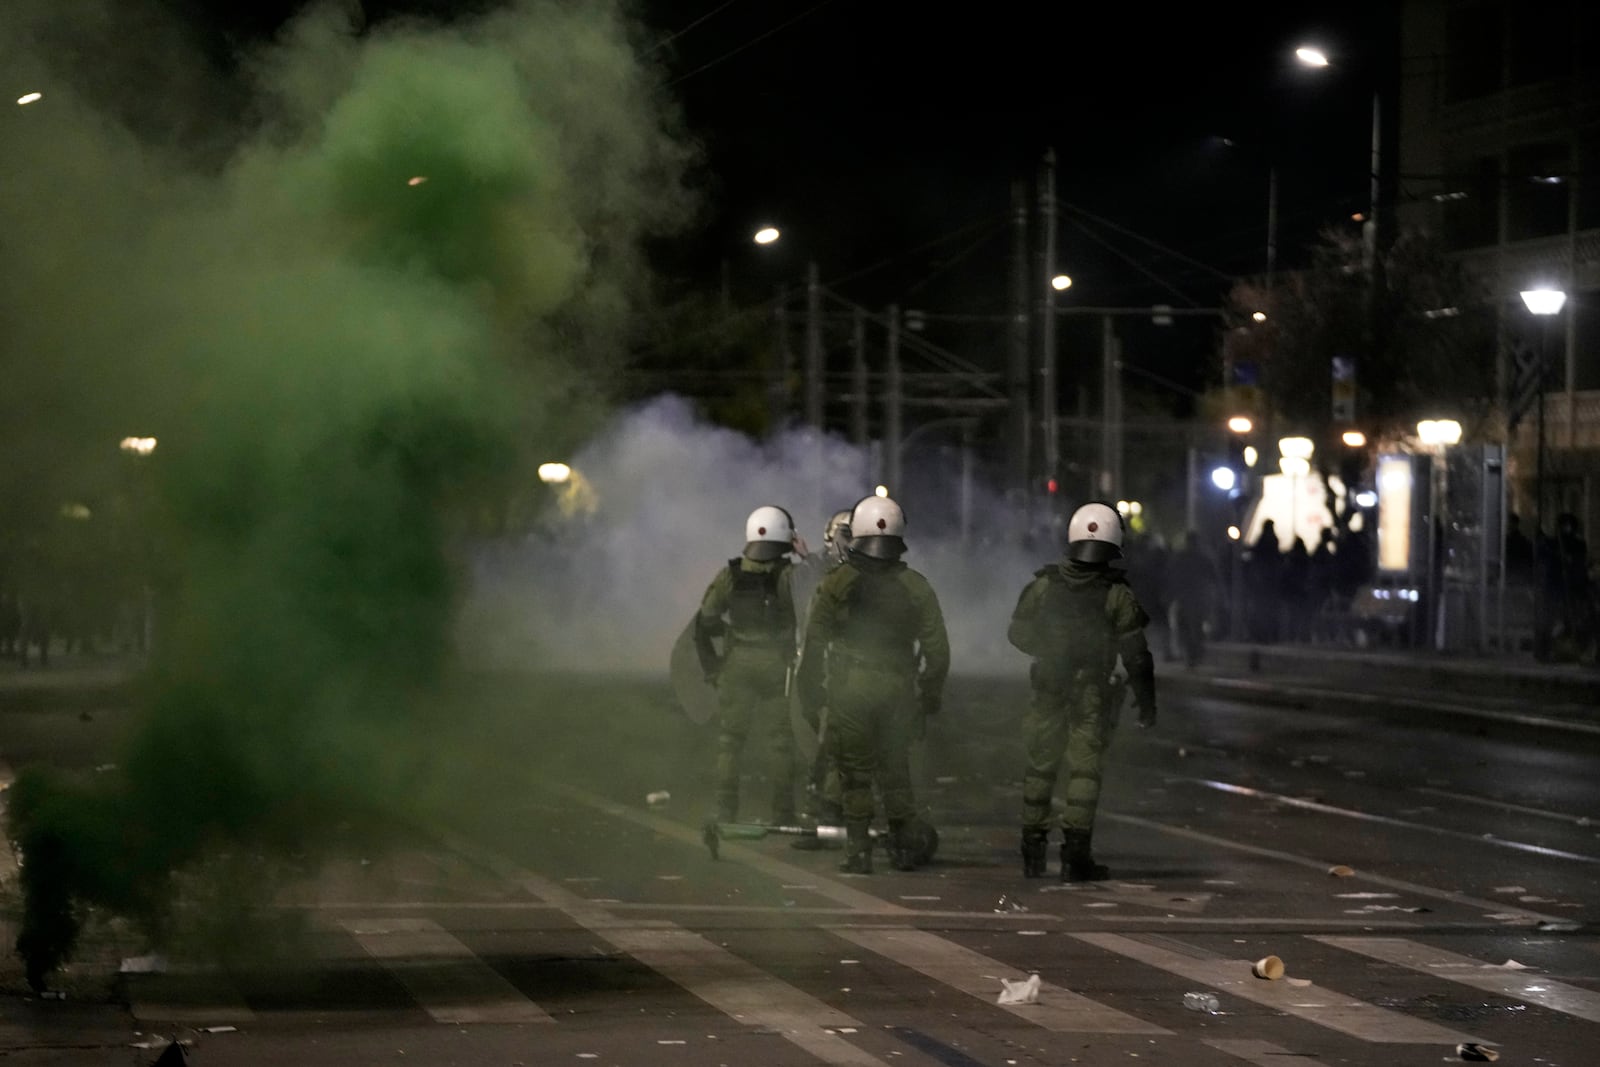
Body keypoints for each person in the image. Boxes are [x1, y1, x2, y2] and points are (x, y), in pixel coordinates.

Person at [796, 495, 949, 874]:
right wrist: (928, 694)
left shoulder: (836, 583)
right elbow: (938, 651)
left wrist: (810, 691)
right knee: (895, 768)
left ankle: (859, 851)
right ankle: (902, 846)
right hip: (898, 685)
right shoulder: (917, 586)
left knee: (853, 771)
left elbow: (814, 641)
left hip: (851, 685)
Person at [1008, 501, 1157, 882]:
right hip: (1091, 689)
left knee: (1040, 767)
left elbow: (1017, 632)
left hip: (1048, 685)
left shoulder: (1044, 584)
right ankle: (1076, 855)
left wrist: (1048, 650)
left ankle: (1032, 852)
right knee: (1084, 772)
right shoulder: (1116, 594)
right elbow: (1136, 655)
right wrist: (1146, 701)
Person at [694, 506, 805, 826]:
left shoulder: (729, 574)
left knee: (730, 742)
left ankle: (724, 811)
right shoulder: (790, 576)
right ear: (786, 537)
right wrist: (806, 558)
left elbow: (706, 620)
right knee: (781, 743)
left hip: (737, 663)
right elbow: (817, 600)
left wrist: (713, 666)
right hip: (776, 665)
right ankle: (783, 814)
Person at [1168, 531, 1218, 668]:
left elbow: (1173, 576)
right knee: (1196, 626)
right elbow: (1214, 577)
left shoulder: (1181, 557)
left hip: (1187, 597)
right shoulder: (1204, 557)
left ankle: (1192, 654)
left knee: (1188, 627)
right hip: (1198, 596)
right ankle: (1195, 653)